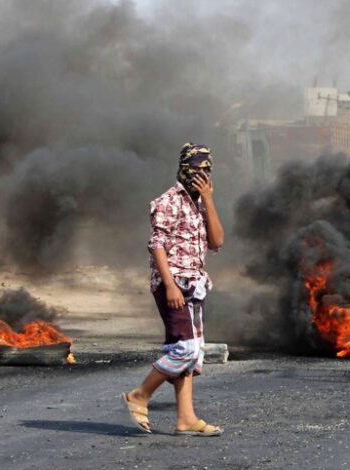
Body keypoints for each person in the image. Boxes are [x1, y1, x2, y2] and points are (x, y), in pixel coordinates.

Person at [121, 143, 224, 437]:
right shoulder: (167, 201)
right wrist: (169, 286)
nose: (202, 175)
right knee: (184, 349)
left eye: (207, 169)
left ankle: (186, 419)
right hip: (174, 284)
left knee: (193, 355)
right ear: (184, 169)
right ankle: (139, 395)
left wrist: (209, 200)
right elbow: (156, 245)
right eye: (197, 169)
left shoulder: (201, 204)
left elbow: (217, 241)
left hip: (196, 284)